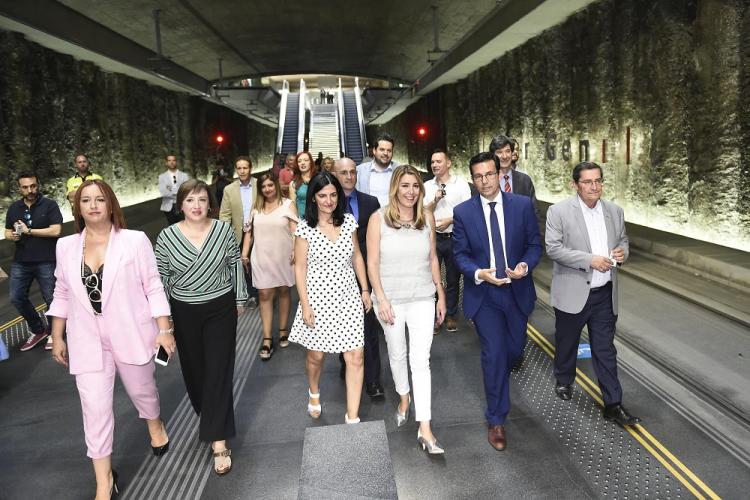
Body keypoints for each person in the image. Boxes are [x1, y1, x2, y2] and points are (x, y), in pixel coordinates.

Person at [47, 179, 173, 500]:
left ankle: (154, 424)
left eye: (99, 199)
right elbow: (61, 291)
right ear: (78, 207)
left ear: (111, 204)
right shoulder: (65, 246)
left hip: (131, 331)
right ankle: (104, 481)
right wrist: (57, 334)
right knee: (94, 408)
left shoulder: (134, 241)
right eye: (85, 200)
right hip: (87, 338)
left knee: (143, 391)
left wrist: (164, 328)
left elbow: (153, 285)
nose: (92, 205)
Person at [155, 179, 248, 476]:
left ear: (210, 203)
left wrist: (240, 297)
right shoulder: (167, 237)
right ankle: (208, 414)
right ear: (180, 204)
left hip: (220, 309)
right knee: (196, 375)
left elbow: (234, 263)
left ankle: (218, 441)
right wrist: (165, 323)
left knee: (219, 371)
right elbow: (161, 280)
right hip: (184, 313)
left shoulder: (222, 230)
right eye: (190, 200)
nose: (197, 206)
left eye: (202, 200)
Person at [452, 152, 542, 451]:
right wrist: (478, 273)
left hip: (517, 292)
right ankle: (497, 418)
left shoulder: (522, 206)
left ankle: (506, 372)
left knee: (513, 351)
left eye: (489, 174)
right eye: (478, 176)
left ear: (499, 174)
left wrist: (525, 267)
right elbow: (460, 255)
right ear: (473, 179)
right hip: (485, 295)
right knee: (494, 354)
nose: (484, 181)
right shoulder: (463, 212)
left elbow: (533, 244)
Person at [545, 161, 641, 427]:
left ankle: (613, 403)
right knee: (567, 344)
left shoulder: (615, 211)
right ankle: (564, 379)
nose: (594, 186)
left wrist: (623, 254)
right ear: (575, 184)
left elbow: (622, 241)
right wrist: (589, 260)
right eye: (587, 182)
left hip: (604, 294)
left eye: (598, 181)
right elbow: (553, 249)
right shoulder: (559, 212)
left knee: (605, 350)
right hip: (572, 292)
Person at [367, 165, 447, 454]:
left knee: (421, 361)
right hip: (390, 300)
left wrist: (440, 292)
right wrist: (381, 298)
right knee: (397, 353)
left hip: (422, 296)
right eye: (405, 186)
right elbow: (372, 263)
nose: (411, 191)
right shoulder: (378, 219)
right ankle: (404, 397)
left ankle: (424, 427)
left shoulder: (426, 216)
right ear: (394, 188)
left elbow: (433, 257)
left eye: (415, 186)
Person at [289, 172, 371, 424]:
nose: (328, 200)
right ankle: (314, 391)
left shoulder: (349, 222)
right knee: (316, 356)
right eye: (322, 195)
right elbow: (300, 267)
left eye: (333, 195)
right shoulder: (305, 228)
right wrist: (304, 304)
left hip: (348, 297)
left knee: (355, 356)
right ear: (313, 197)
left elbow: (357, 256)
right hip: (317, 300)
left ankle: (353, 416)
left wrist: (365, 289)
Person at [332, 157, 385, 399]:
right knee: (341, 326)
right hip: (337, 277)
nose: (349, 176)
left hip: (368, 274)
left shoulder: (370, 202)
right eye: (343, 172)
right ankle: (346, 363)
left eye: (353, 172)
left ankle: (373, 380)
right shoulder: (327, 203)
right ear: (335, 174)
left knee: (369, 327)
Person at [241, 173, 298, 360]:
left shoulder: (288, 204)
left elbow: (295, 231)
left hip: (283, 255)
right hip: (261, 256)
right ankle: (267, 338)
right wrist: (244, 253)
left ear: (276, 185)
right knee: (264, 294)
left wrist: (295, 249)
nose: (267, 189)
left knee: (283, 291)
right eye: (264, 186)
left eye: (270, 185)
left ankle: (282, 330)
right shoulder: (255, 208)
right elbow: (248, 233)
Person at [4, 172, 62, 351]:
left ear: (38, 185)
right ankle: (38, 330)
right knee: (16, 297)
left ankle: (55, 333)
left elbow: (55, 231)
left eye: (33, 186)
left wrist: (29, 231)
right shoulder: (14, 208)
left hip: (46, 259)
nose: (30, 190)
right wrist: (12, 236)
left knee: (51, 298)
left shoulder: (49, 205)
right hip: (21, 261)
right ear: (19, 188)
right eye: (25, 187)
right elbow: (7, 231)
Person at [423, 149, 471, 335]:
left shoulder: (461, 184)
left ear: (448, 163)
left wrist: (450, 220)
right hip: (432, 238)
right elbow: (423, 210)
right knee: (433, 280)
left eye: (438, 161)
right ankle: (436, 316)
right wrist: (435, 200)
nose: (434, 164)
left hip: (454, 238)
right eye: (433, 162)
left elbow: (467, 210)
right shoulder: (427, 186)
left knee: (452, 279)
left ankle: (450, 314)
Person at [219, 156, 258, 309]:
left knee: (259, 263)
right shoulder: (229, 190)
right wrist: (224, 235)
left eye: (245, 168)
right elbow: (225, 214)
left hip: (259, 231)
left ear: (250, 168)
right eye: (239, 168)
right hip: (239, 233)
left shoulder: (259, 185)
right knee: (245, 264)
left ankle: (264, 290)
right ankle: (253, 294)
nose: (242, 171)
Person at [489, 135, 538, 214]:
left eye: (507, 151)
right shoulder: (485, 181)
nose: (504, 156)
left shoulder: (525, 181)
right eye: (499, 152)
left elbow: (534, 212)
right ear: (493, 155)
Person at [356, 133, 399, 206]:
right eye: (382, 150)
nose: (385, 153)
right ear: (374, 151)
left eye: (389, 150)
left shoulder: (399, 170)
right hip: (368, 215)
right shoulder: (360, 170)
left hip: (393, 215)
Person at [158, 154, 190, 225]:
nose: (171, 162)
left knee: (185, 227)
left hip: (182, 206)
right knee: (172, 229)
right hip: (168, 207)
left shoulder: (184, 176)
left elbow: (186, 191)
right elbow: (163, 192)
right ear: (166, 163)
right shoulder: (162, 177)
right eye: (169, 160)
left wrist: (170, 189)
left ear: (176, 162)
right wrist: (178, 191)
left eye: (173, 160)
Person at [288, 151, 317, 217]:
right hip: (302, 221)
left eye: (306, 160)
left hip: (319, 220)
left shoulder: (319, 180)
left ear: (311, 162)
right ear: (297, 165)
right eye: (299, 161)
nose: (302, 163)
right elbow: (293, 206)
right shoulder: (293, 184)